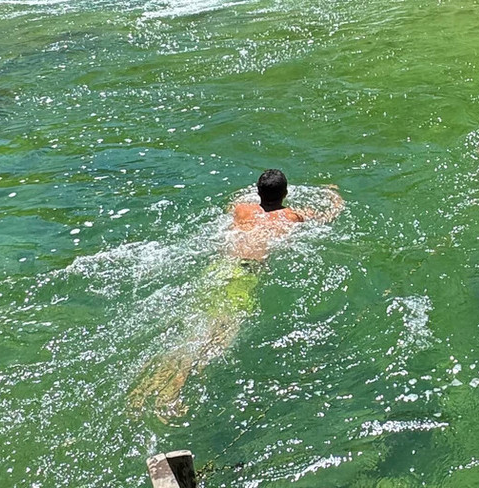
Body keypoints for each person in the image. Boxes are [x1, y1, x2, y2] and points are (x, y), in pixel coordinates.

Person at [130, 169, 343, 419]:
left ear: (257, 191)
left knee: (195, 326)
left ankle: (151, 384)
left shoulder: (242, 209)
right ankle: (174, 392)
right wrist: (335, 196)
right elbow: (327, 217)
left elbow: (229, 206)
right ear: (285, 194)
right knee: (218, 334)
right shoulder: (291, 217)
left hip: (219, 268)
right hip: (246, 275)